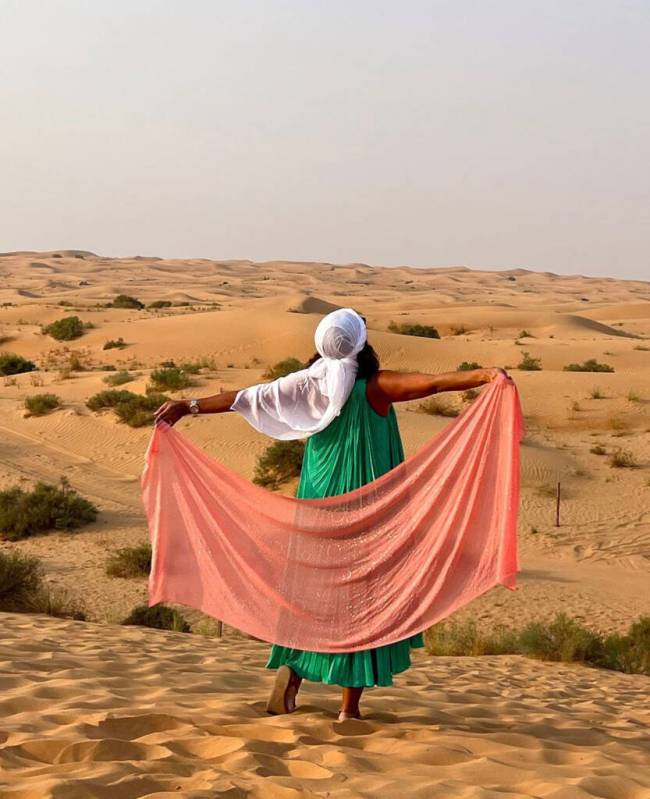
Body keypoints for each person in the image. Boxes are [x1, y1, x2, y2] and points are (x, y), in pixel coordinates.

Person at [154, 308, 509, 721]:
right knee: (360, 597)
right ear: (361, 345)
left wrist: (187, 405)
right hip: (364, 507)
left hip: (316, 504)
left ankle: (294, 671)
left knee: (311, 593)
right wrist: (483, 375)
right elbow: (429, 384)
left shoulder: (309, 387)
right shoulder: (372, 387)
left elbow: (241, 398)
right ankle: (348, 709)